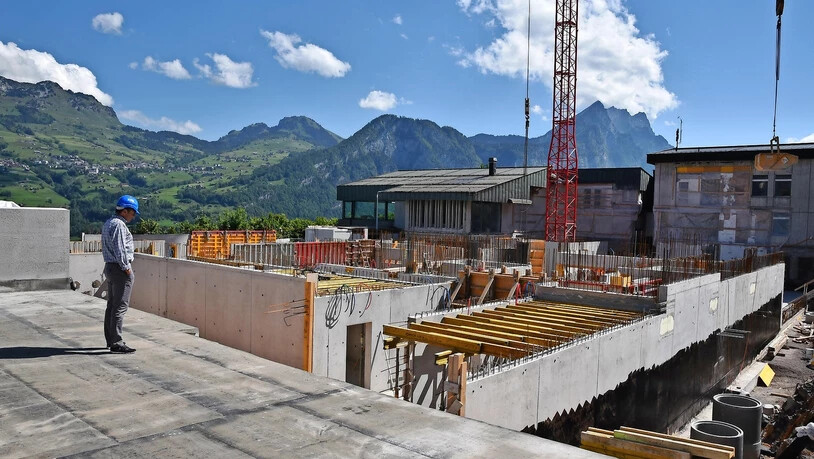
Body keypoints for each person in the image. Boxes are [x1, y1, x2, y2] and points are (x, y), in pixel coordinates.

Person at [101, 195, 140, 353]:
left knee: (112, 306)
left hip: (110, 267)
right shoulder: (119, 225)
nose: (134, 216)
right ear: (124, 211)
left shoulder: (109, 223)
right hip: (119, 269)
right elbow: (120, 249)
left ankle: (111, 340)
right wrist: (127, 269)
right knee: (120, 306)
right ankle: (116, 342)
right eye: (132, 212)